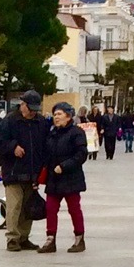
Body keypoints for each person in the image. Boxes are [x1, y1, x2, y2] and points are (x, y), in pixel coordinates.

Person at [0, 90, 51, 253]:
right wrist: (12, 148)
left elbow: (45, 146)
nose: (30, 111)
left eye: (33, 109)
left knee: (28, 207)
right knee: (14, 206)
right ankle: (12, 238)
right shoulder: (10, 120)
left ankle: (24, 237)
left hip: (33, 172)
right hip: (13, 171)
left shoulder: (41, 122)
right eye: (27, 106)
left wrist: (43, 168)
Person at [39, 101, 87, 253]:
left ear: (68, 116)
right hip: (54, 179)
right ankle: (50, 239)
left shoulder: (77, 132)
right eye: (54, 114)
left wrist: (64, 166)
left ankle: (79, 238)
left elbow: (81, 154)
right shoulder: (52, 133)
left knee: (74, 209)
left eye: (59, 114)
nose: (56, 117)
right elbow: (46, 155)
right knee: (51, 209)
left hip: (71, 178)